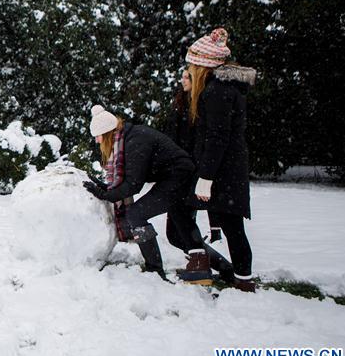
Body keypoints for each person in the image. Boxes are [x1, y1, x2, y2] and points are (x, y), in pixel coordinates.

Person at [83, 105, 211, 284]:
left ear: (107, 133)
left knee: (136, 213)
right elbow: (129, 180)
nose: (97, 141)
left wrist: (105, 195)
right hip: (177, 177)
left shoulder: (134, 142)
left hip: (179, 178)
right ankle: (222, 269)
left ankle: (154, 271)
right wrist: (104, 188)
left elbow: (133, 185)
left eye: (98, 136)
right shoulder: (128, 138)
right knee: (176, 235)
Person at [184, 28, 257, 292]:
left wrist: (205, 177)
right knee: (229, 225)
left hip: (224, 171)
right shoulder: (223, 88)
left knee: (232, 226)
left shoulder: (216, 92)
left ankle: (244, 281)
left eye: (192, 64)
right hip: (227, 168)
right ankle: (241, 277)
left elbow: (217, 138)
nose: (190, 69)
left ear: (203, 64)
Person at [162, 69, 235, 282]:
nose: (183, 80)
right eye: (182, 76)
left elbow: (199, 142)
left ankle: (201, 262)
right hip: (177, 169)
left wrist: (189, 169)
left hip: (187, 173)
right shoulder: (180, 103)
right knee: (175, 233)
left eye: (188, 77)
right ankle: (221, 265)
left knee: (180, 222)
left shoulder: (199, 108)